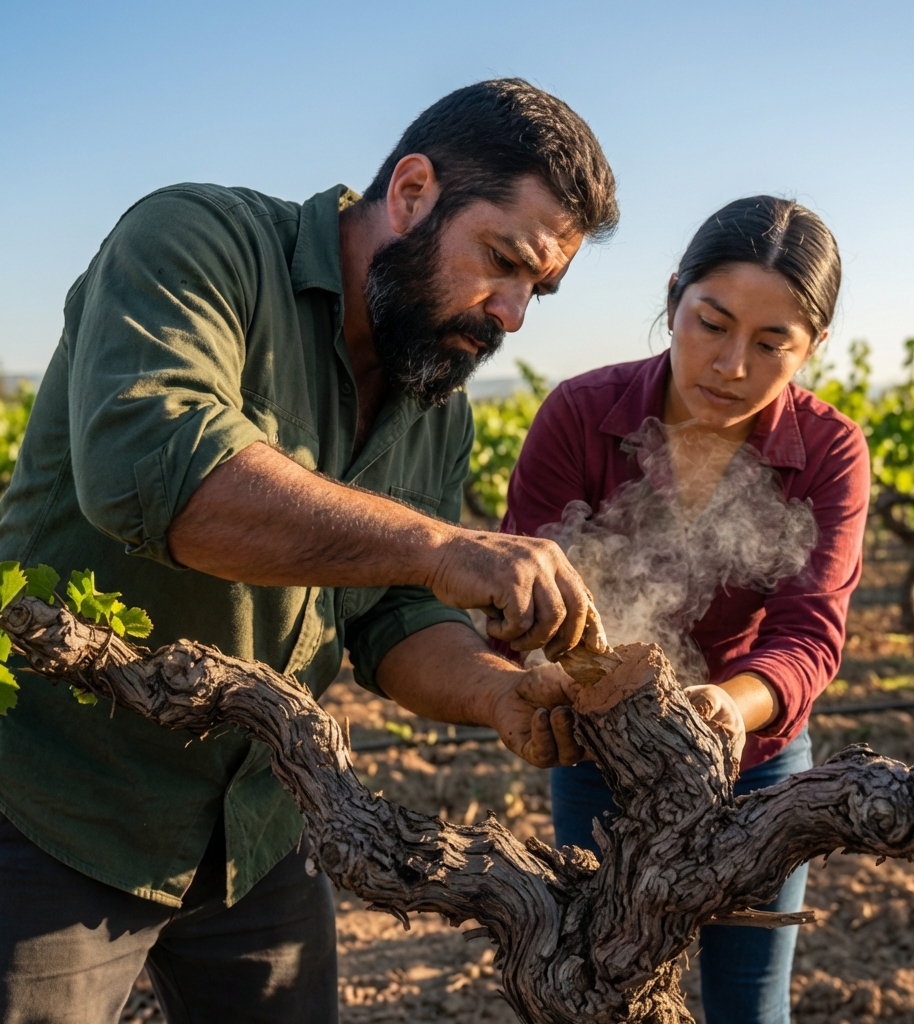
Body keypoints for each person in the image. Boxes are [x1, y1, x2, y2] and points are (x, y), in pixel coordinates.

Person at [0, 79, 617, 1023]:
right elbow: (150, 469)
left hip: (258, 823)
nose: (514, 313)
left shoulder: (432, 400)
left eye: (540, 287)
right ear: (411, 191)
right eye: (503, 260)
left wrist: (498, 692)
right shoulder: (196, 242)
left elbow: (394, 613)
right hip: (56, 806)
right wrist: (442, 545)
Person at [502, 196, 871, 1023]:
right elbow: (521, 588)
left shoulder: (830, 451)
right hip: (601, 757)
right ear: (673, 299)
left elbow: (809, 632)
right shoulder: (578, 416)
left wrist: (723, 711)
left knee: (747, 1002)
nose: (733, 364)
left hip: (760, 758)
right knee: (603, 988)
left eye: (773, 343)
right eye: (711, 322)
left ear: (812, 349)